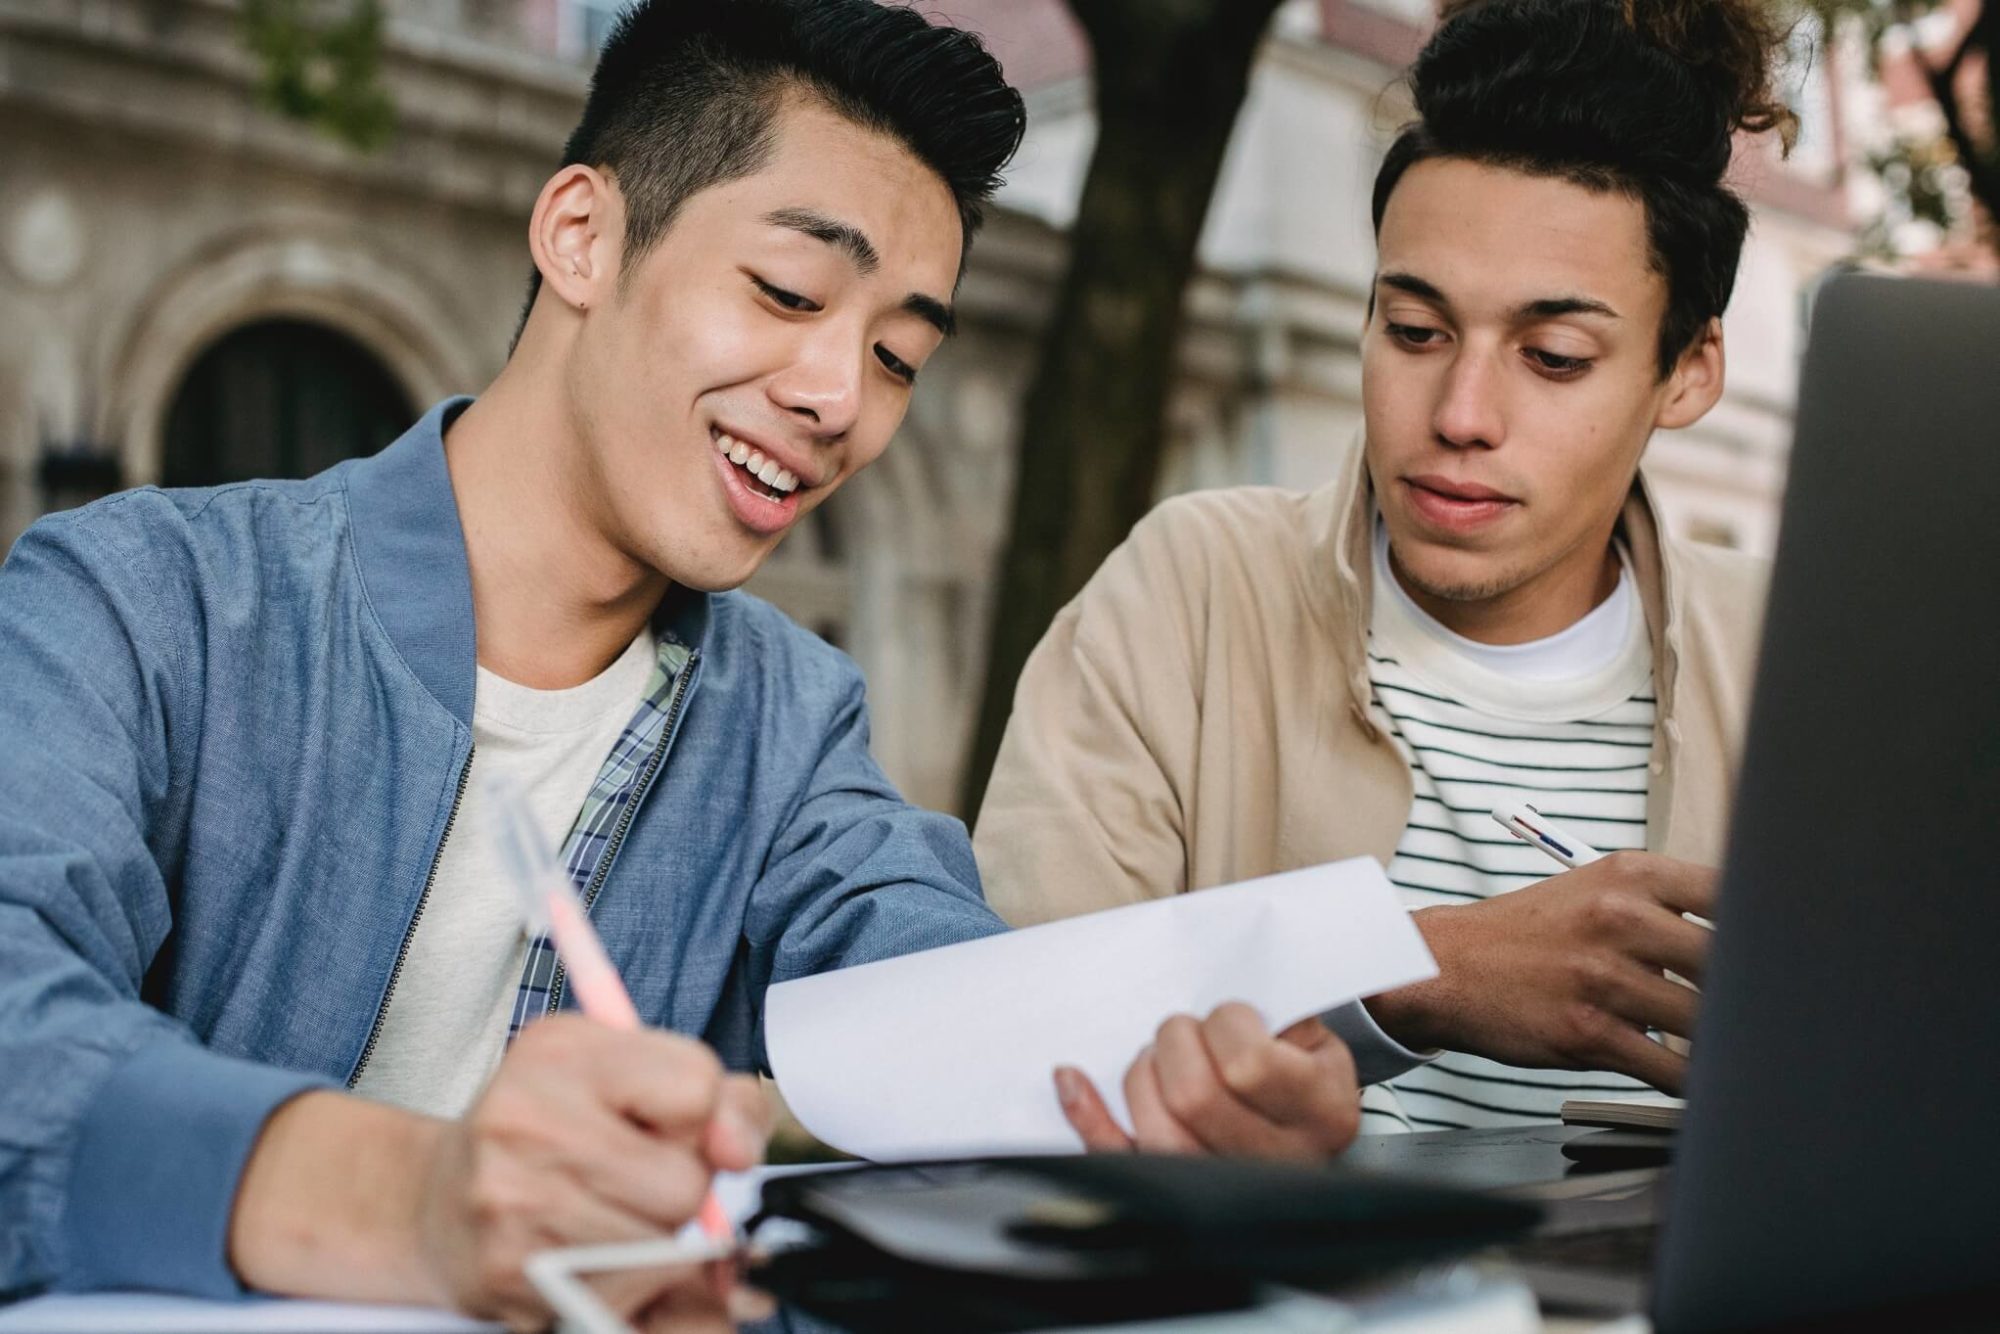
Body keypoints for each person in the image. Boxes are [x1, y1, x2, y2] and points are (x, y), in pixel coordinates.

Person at [0, 0, 1360, 1319]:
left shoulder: (791, 719)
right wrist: (417, 1200)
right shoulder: (139, 605)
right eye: (786, 289)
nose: (839, 399)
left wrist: (1150, 1085)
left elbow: (936, 985)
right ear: (582, 234)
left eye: (897, 357)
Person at [978, 0, 1791, 1142]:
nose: (1459, 415)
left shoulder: (1792, 654)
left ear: (1687, 370)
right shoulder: (1192, 589)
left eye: (1552, 358)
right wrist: (1413, 969)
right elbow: (1009, 1026)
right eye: (1412, 330)